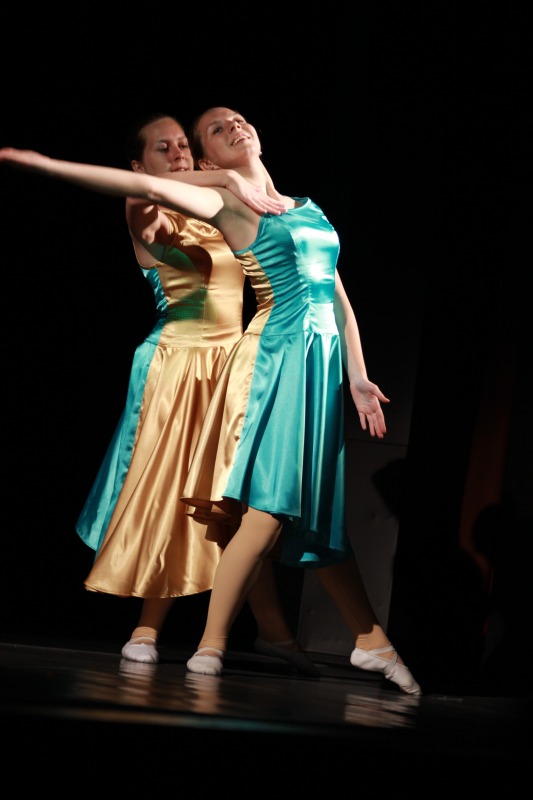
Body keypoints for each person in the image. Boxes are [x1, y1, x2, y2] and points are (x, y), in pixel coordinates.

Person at [0, 109, 422, 694]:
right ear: (206, 160)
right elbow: (145, 190)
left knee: (305, 507)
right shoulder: (217, 204)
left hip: (287, 360)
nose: (233, 129)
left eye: (238, 121)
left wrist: (358, 375)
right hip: (234, 360)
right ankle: (202, 637)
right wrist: (48, 166)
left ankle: (337, 637)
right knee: (238, 502)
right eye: (214, 132)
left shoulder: (302, 207)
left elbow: (334, 290)